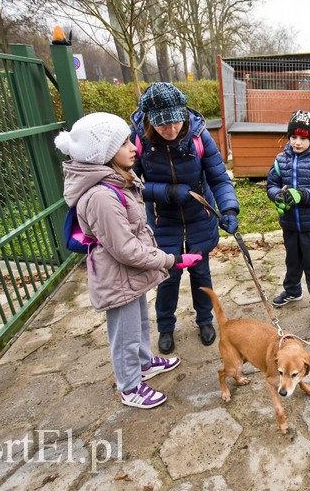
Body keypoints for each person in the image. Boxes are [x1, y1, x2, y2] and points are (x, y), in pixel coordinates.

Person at [55, 112, 202, 408]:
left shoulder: (118, 181)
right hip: (116, 276)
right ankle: (130, 386)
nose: (133, 147)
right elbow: (126, 249)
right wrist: (170, 260)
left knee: (138, 324)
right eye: (123, 143)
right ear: (104, 154)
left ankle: (144, 363)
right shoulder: (101, 196)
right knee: (123, 334)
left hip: (128, 276)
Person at [130, 83, 239, 354]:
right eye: (162, 125)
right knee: (167, 278)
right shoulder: (137, 141)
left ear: (183, 113)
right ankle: (165, 327)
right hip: (163, 223)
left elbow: (218, 177)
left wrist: (229, 210)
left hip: (199, 219)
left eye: (175, 121)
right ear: (149, 121)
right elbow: (129, 185)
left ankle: (205, 320)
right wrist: (166, 192)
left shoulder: (200, 136)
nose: (170, 129)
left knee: (201, 275)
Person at [266, 110, 310, 329]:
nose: (297, 142)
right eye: (294, 137)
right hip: (289, 225)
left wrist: (301, 195)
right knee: (292, 262)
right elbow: (271, 185)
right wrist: (278, 195)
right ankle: (293, 291)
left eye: (303, 138)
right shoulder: (280, 159)